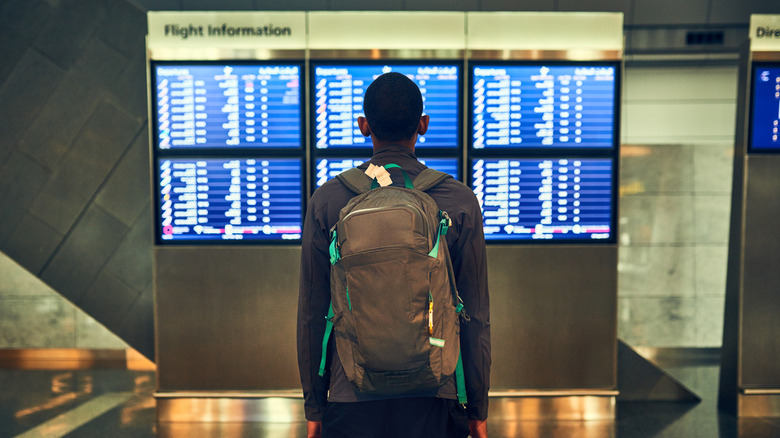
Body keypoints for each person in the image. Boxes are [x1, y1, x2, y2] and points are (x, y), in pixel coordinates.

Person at [297, 72, 490, 438]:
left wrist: (314, 406)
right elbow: (475, 315)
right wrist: (477, 408)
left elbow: (311, 313)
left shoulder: (327, 202)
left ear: (364, 126)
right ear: (423, 125)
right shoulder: (459, 202)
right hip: (435, 393)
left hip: (349, 394)